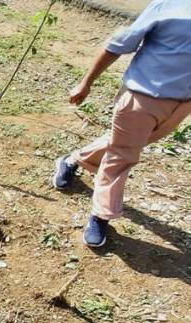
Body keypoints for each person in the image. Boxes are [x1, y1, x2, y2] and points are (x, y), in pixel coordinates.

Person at [53, 0, 191, 247]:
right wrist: (86, 82)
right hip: (143, 97)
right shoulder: (169, 6)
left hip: (183, 104)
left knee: (127, 144)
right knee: (123, 156)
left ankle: (73, 159)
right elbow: (120, 44)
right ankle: (101, 214)